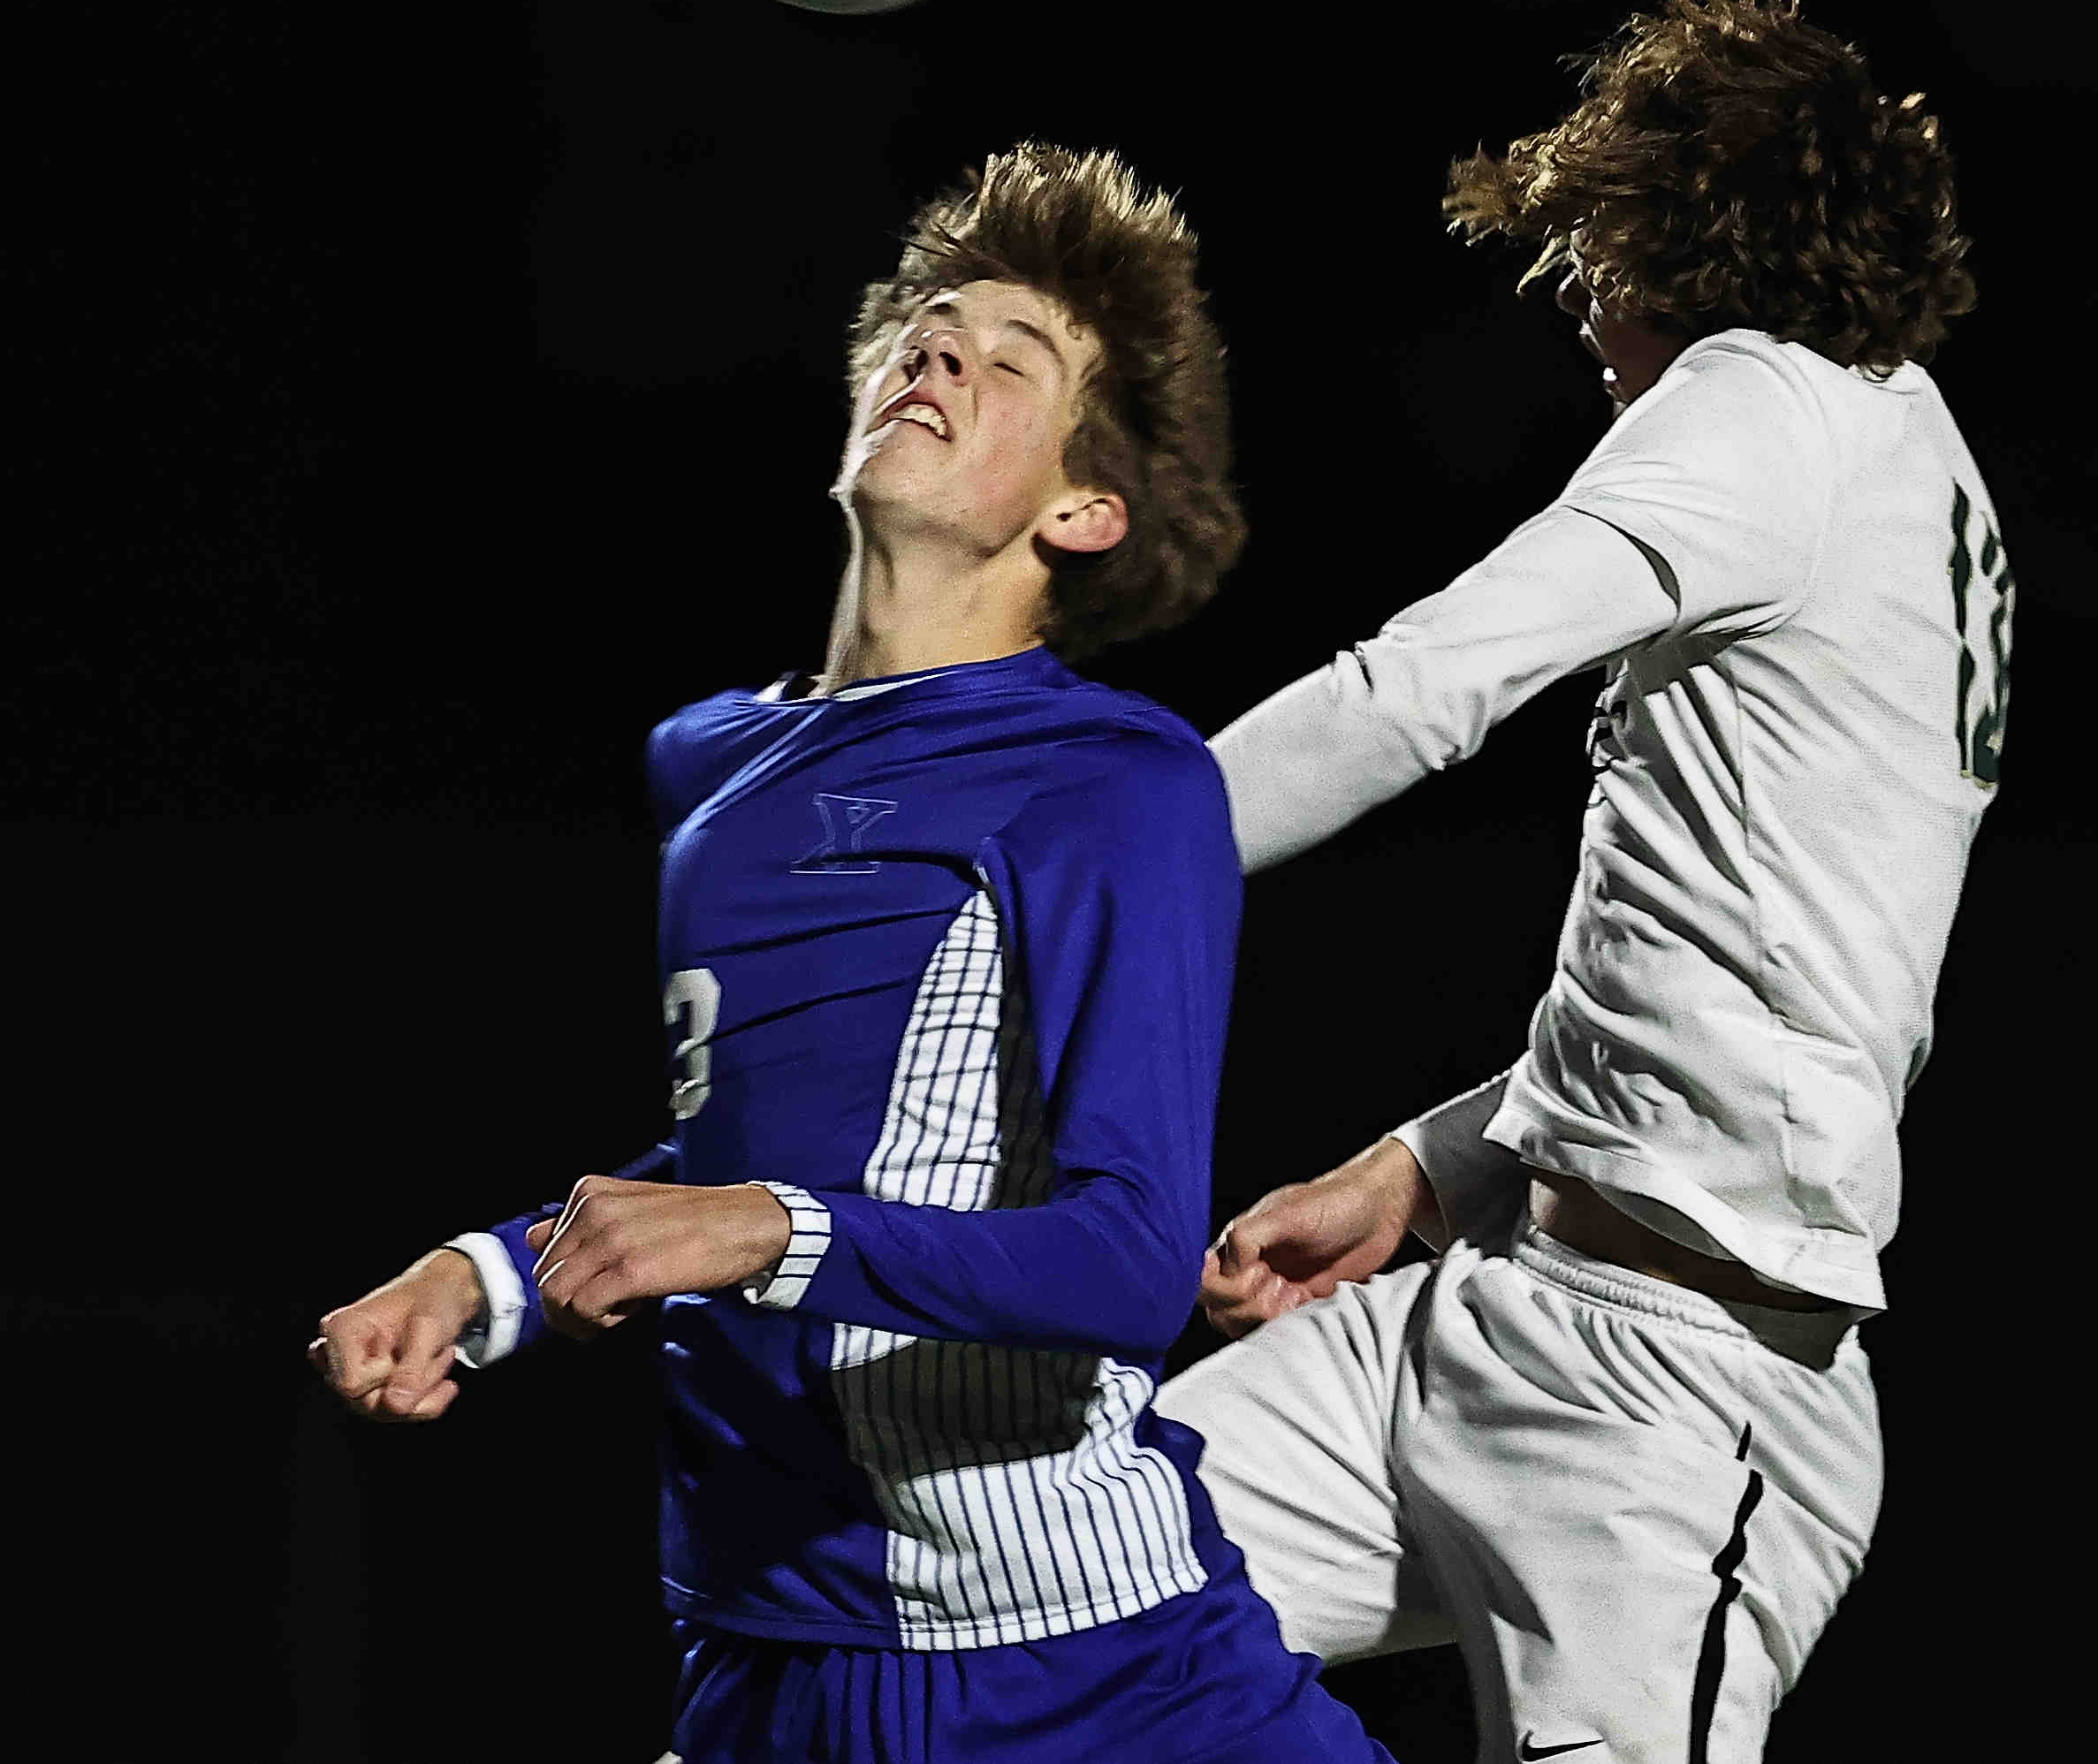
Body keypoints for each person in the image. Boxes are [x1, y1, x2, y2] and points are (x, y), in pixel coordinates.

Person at [309, 143, 1395, 1764]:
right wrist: (495, 1275)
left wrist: (756, 1227)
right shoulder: (708, 765)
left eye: (1007, 360)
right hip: (755, 1659)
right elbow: (758, 1166)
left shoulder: (1116, 782)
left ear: (1083, 511)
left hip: (1079, 1672)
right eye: (930, 328)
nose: (939, 353)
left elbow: (1125, 1253)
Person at [1157, 0, 2011, 1764]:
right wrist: (1424, 1167)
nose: (1584, 323)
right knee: (992, 1600)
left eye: (1594, 258)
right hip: (1475, 1325)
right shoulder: (1896, 458)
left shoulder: (1758, 410)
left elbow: (1416, 693)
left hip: (1678, 1410)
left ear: (1676, 244)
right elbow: (1729, 956)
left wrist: (1071, 862)